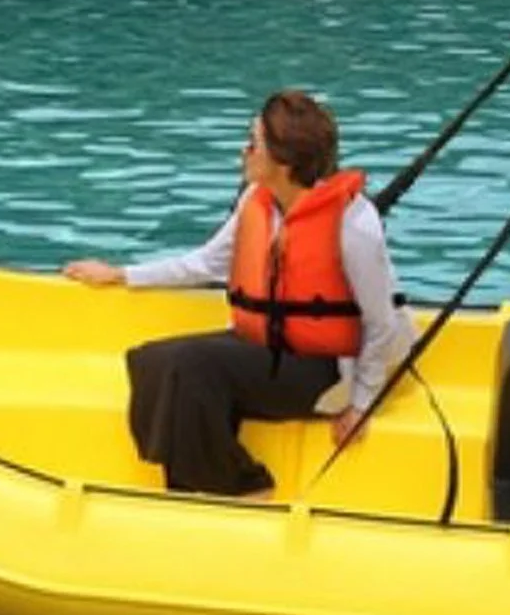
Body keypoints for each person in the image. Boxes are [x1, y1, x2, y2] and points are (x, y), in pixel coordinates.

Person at [63, 90, 409, 498]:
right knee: (153, 361)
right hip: (273, 347)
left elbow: (382, 322)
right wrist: (120, 274)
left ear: (283, 162)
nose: (243, 152)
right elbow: (206, 263)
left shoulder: (354, 226)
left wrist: (361, 403)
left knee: (191, 365)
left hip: (326, 372)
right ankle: (191, 486)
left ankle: (242, 485)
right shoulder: (256, 200)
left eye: (253, 143)